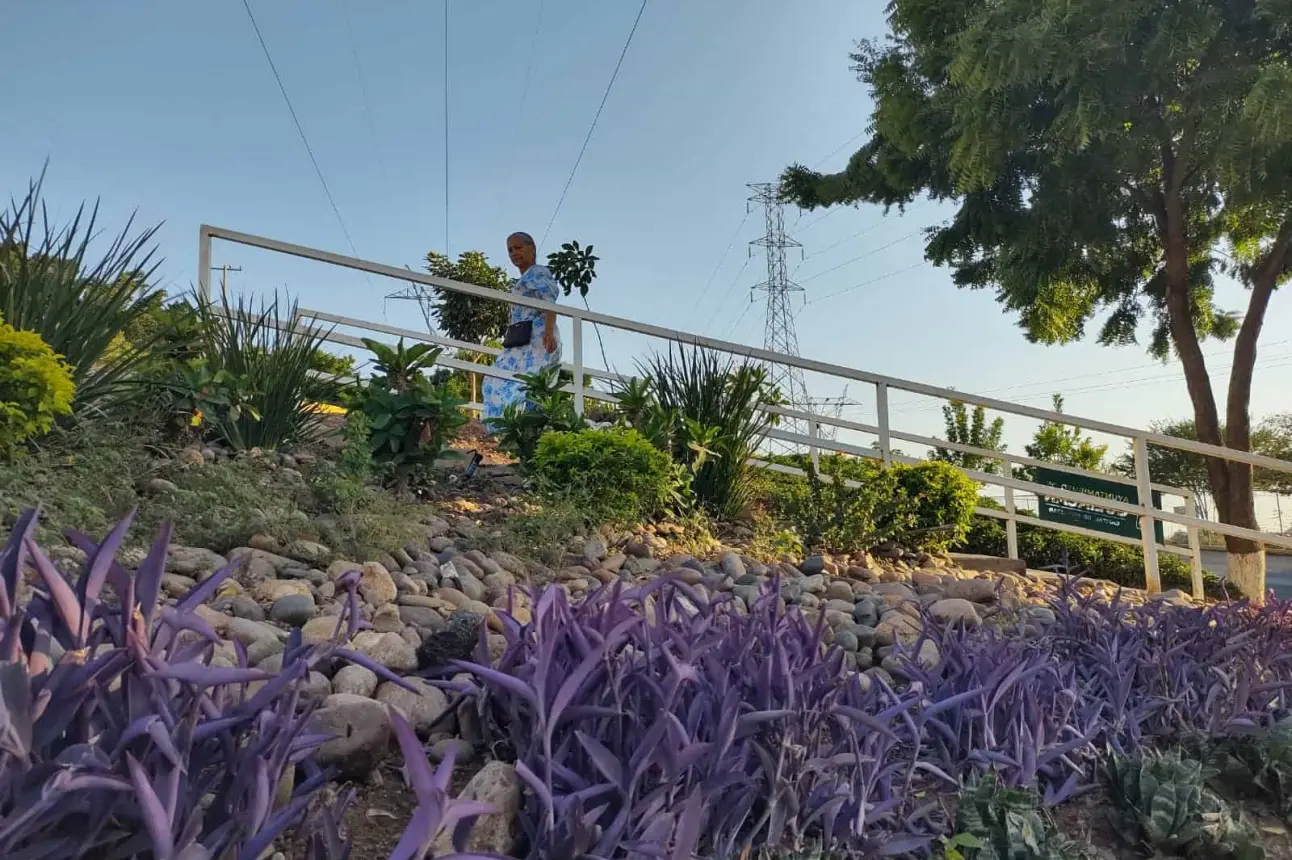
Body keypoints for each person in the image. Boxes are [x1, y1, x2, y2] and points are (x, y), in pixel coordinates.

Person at [480, 231, 562, 430]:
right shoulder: (525, 277)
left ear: (531, 248)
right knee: (496, 379)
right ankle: (508, 428)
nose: (514, 253)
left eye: (518, 247)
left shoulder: (538, 272)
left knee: (525, 384)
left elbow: (550, 300)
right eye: (510, 250)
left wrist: (549, 331)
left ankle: (522, 429)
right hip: (522, 341)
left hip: (538, 338)